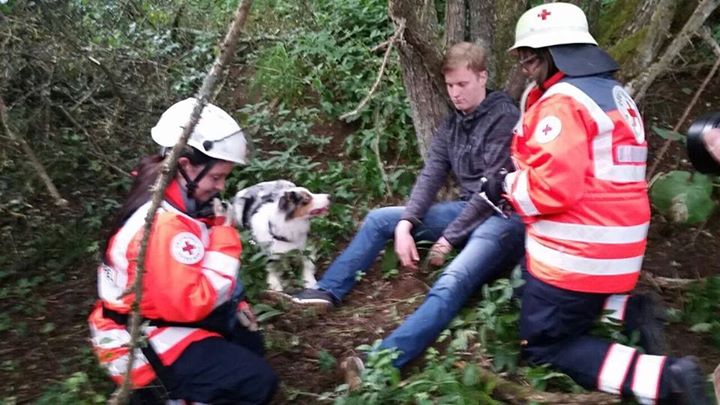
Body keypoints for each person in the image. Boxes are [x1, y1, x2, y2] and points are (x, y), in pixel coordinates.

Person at [488, 3, 711, 404]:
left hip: (576, 258)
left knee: (544, 344)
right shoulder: (613, 94)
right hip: (618, 252)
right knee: (526, 279)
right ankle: (628, 312)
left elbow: (553, 189)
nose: (525, 69)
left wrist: (504, 184)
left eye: (531, 59)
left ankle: (667, 379)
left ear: (557, 54)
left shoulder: (562, 103)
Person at [292, 42, 526, 374]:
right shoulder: (452, 124)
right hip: (465, 210)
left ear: (482, 77)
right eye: (450, 85)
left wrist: (448, 239)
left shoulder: (504, 116)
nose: (455, 93)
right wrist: (406, 222)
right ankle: (326, 292)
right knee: (380, 220)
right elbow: (431, 175)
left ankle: (379, 364)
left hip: (502, 217)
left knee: (452, 279)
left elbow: (494, 188)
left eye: (462, 84)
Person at [87, 98, 278, 404]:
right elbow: (195, 302)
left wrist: (237, 302)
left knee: (251, 345)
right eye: (216, 177)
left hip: (158, 320)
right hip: (141, 340)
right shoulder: (163, 225)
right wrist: (225, 235)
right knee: (256, 382)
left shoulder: (173, 198)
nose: (221, 186)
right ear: (186, 166)